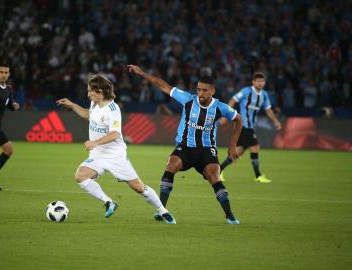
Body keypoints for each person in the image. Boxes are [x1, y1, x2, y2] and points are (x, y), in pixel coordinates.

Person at [127, 65, 243, 225]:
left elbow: (239, 119)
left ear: (212, 91)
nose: (200, 94)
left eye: (204, 90)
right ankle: (162, 210)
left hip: (206, 150)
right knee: (170, 165)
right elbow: (163, 85)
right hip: (186, 147)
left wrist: (232, 145)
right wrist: (142, 73)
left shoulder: (221, 107)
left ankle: (229, 215)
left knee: (214, 176)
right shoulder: (188, 99)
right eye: (199, 90)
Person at [56, 74, 176, 224]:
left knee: (138, 187)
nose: (88, 94)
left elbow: (114, 134)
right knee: (80, 176)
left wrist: (95, 142)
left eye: (90, 91)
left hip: (115, 155)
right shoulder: (95, 104)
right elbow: (89, 115)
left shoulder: (113, 110)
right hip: (98, 154)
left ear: (100, 91)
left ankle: (162, 210)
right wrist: (72, 105)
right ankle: (109, 202)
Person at [219, 72, 282, 183]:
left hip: (250, 127)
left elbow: (268, 110)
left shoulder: (264, 95)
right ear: (253, 82)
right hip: (243, 124)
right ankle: (258, 176)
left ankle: (218, 170)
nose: (260, 83)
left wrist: (275, 121)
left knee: (239, 152)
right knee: (255, 147)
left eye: (262, 81)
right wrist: (226, 115)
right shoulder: (246, 91)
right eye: (258, 81)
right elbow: (233, 100)